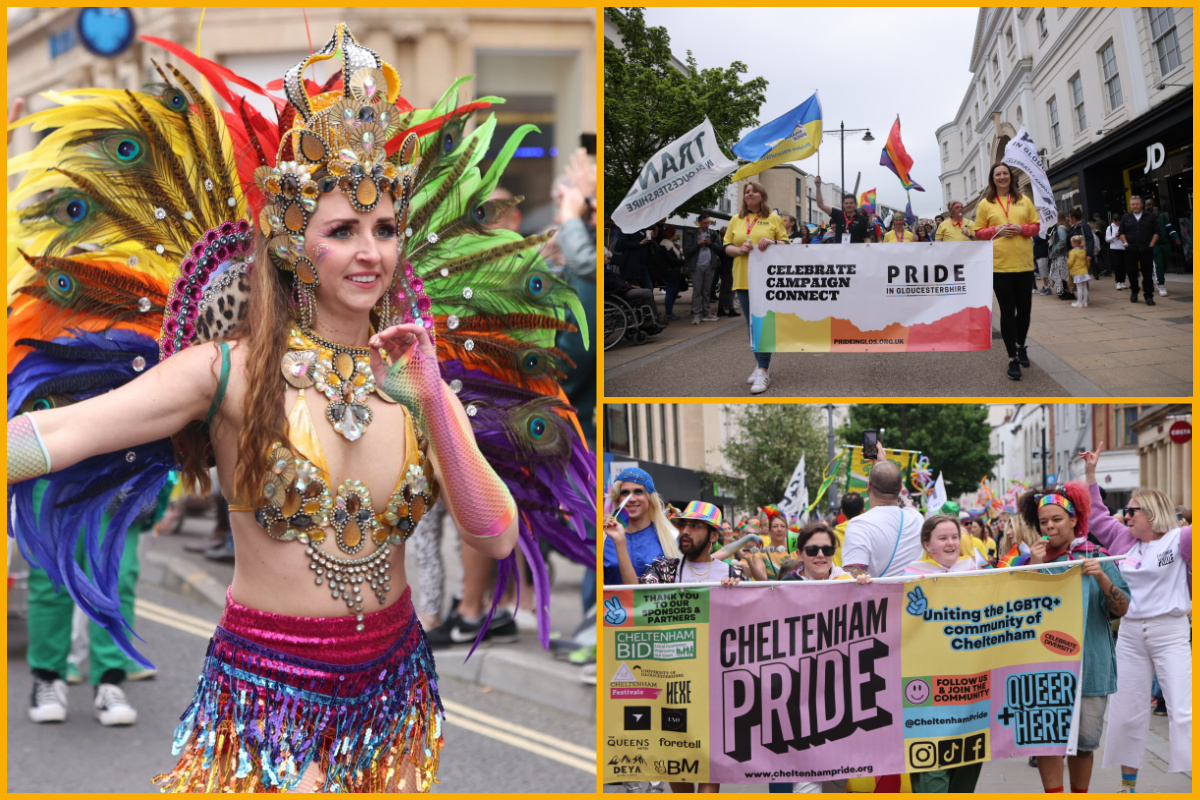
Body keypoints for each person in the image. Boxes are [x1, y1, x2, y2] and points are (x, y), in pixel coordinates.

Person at [6, 25, 593, 792]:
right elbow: (58, 432)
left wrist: (431, 399)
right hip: (267, 695)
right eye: (342, 230)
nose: (369, 252)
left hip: (392, 688)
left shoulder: (413, 376)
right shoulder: (223, 372)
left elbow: (494, 529)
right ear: (293, 243)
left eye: (384, 229)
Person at [1079, 444, 1192, 789]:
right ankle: (1128, 786)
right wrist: (1091, 473)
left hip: (1170, 631)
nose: (1125, 516)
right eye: (1126, 511)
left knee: (1183, 709)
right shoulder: (1123, 540)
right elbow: (1096, 515)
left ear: (1154, 511)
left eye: (1132, 511)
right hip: (1128, 634)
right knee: (1127, 712)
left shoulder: (1181, 538)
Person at [1013, 484, 1130, 794]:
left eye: (1057, 519)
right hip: (1042, 670)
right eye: (1044, 522)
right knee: (1047, 741)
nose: (1050, 526)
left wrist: (1103, 577)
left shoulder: (1098, 556)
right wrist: (1030, 569)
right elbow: (1011, 612)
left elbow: (1121, 608)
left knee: (1084, 744)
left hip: (1090, 667)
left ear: (1074, 519)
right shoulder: (1027, 563)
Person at [974, 162, 1041, 381]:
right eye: (997, 174)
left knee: (1025, 311)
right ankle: (1012, 357)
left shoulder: (1024, 200)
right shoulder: (986, 204)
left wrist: (1022, 229)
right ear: (992, 179)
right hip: (999, 266)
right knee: (1007, 311)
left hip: (1024, 264)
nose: (1002, 177)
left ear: (1010, 177)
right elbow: (978, 233)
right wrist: (995, 229)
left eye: (1005, 173)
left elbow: (1036, 226)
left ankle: (1021, 346)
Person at [724, 181, 788, 394]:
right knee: (752, 326)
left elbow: (787, 244)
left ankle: (763, 369)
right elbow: (726, 247)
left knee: (763, 325)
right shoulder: (736, 219)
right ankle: (761, 366)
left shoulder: (773, 219)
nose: (749, 194)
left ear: (762, 195)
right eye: (747, 192)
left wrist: (772, 243)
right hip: (742, 278)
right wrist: (738, 249)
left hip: (766, 281)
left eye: (754, 191)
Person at [841, 454, 925, 578]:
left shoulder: (858, 525)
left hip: (877, 597)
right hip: (914, 595)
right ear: (900, 487)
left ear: (868, 485)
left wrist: (882, 465)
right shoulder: (916, 518)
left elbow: (853, 577)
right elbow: (906, 499)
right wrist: (884, 464)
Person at [602, 468, 680, 586]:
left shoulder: (671, 537)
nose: (632, 499)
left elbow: (693, 571)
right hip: (612, 604)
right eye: (625, 493)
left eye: (638, 492)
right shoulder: (603, 538)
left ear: (649, 498)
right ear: (618, 499)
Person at [780, 523, 851, 582]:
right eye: (812, 550)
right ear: (799, 554)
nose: (820, 555)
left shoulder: (847, 582)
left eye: (827, 549)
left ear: (834, 552)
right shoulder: (786, 586)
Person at [1119, 196, 1158, 305]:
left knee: (1147, 273)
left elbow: (1156, 232)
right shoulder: (1126, 217)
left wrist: (1152, 244)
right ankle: (1134, 291)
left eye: (1137, 204)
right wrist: (1125, 243)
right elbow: (1121, 232)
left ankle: (1149, 295)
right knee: (1131, 271)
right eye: (1133, 204)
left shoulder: (1150, 216)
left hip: (1146, 248)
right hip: (1131, 249)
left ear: (1141, 204)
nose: (1135, 206)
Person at [685, 215, 724, 325]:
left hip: (710, 265)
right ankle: (696, 314)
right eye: (705, 223)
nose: (707, 225)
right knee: (697, 291)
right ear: (699, 222)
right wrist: (698, 244)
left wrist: (710, 243)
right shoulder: (693, 234)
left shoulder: (713, 233)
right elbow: (687, 251)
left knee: (706, 291)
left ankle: (706, 312)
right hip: (697, 265)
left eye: (708, 223)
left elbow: (720, 249)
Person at [746, 505, 796, 581]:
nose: (779, 529)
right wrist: (749, 561)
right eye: (775, 526)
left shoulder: (796, 550)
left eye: (782, 526)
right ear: (769, 531)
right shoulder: (760, 553)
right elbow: (762, 579)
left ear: (786, 530)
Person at [1145, 195, 1181, 296]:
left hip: (1165, 243)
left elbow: (1170, 228)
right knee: (1159, 264)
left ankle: (1158, 279)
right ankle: (1161, 285)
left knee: (1165, 264)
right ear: (1145, 206)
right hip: (1153, 244)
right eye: (1148, 205)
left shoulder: (1162, 216)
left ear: (1155, 205)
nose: (1150, 206)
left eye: (1152, 204)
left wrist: (1176, 238)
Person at [656, 226, 685, 321]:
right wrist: (682, 261)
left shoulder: (669, 245)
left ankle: (670, 312)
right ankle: (668, 314)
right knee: (671, 292)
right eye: (675, 233)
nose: (676, 234)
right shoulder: (666, 246)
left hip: (673, 272)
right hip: (671, 273)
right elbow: (672, 260)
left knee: (673, 292)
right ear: (671, 234)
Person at [714, 227, 739, 318]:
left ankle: (724, 308)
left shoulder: (721, 244)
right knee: (727, 290)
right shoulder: (726, 245)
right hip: (728, 269)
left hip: (724, 269)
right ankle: (728, 309)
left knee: (725, 289)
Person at [1047, 219, 1073, 300]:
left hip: (1061, 255)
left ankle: (1068, 292)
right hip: (1058, 255)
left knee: (1064, 275)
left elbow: (1062, 241)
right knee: (1061, 274)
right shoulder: (1057, 228)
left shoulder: (1060, 228)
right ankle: (1064, 291)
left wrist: (1055, 250)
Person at [1067, 234, 1091, 308]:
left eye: (1072, 242)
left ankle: (1079, 302)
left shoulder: (1073, 252)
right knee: (1084, 287)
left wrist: (1068, 266)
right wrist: (1086, 268)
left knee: (1079, 288)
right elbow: (1087, 262)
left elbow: (1070, 262)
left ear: (1075, 243)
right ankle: (1085, 302)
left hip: (1077, 272)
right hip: (1084, 271)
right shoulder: (1083, 251)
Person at [1107, 211, 1128, 291]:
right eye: (1116, 221)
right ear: (1113, 220)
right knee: (1117, 265)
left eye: (1119, 220)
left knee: (1123, 266)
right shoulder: (1110, 228)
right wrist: (1114, 236)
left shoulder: (1123, 226)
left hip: (1123, 248)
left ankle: (1123, 281)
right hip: (1114, 249)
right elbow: (1107, 239)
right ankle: (1118, 282)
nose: (1117, 222)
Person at [1033, 231, 1052, 295]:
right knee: (1043, 273)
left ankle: (1047, 288)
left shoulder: (1042, 234)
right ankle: (1046, 286)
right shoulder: (1040, 234)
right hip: (1039, 255)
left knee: (1044, 273)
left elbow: (1035, 238)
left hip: (1043, 255)